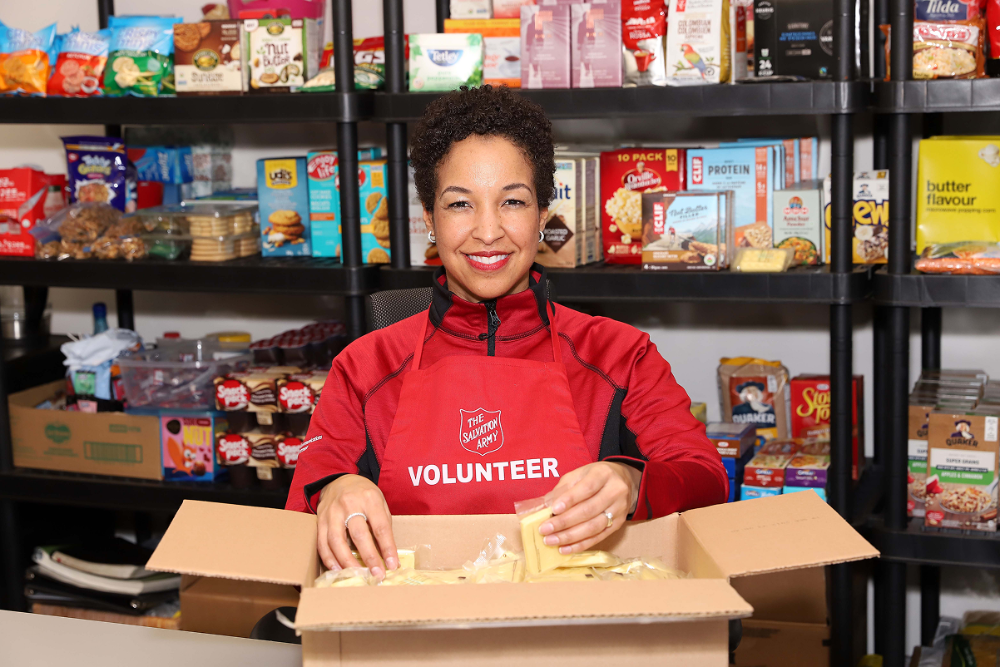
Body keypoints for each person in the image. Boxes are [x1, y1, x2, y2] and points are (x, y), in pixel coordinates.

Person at [287, 85, 727, 578]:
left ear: (542, 216)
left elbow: (707, 477)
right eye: (460, 205)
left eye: (512, 202)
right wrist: (334, 490)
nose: (489, 230)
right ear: (429, 219)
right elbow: (300, 519)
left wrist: (632, 480)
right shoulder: (364, 367)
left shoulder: (620, 354)